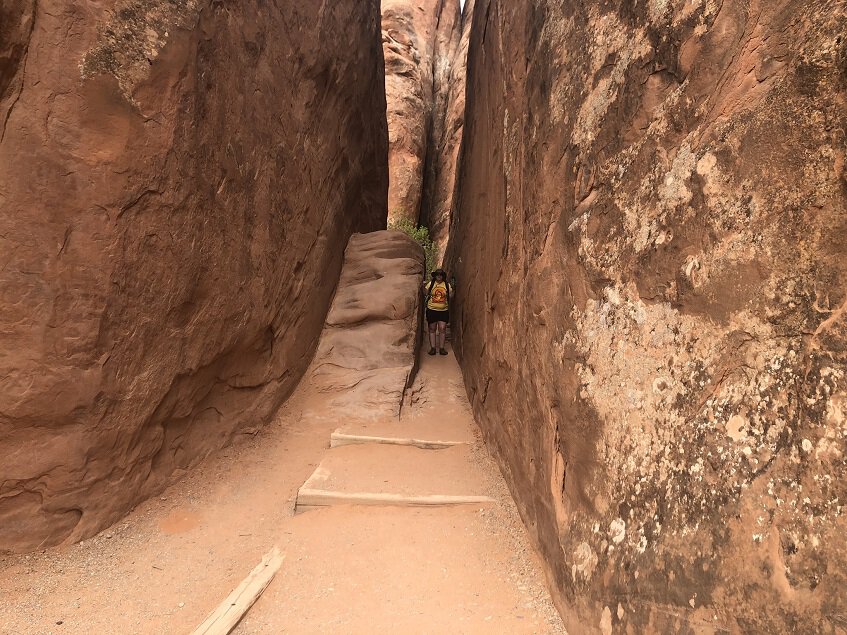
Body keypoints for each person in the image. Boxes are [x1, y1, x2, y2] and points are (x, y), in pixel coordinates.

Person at [423, 268, 451, 356]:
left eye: (440, 275)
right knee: (432, 328)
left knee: (442, 328)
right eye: (437, 274)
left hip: (443, 310)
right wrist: (423, 287)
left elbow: (451, 295)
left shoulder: (446, 285)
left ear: (443, 276)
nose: (439, 276)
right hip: (432, 310)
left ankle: (442, 348)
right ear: (435, 276)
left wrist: (453, 288)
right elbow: (426, 292)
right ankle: (433, 348)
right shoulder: (431, 284)